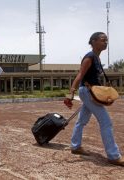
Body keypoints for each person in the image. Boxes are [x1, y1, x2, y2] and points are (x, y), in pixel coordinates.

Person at [64, 32, 123, 166]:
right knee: (106, 122)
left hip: (91, 92)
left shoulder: (96, 58)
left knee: (82, 120)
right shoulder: (89, 57)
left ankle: (75, 146)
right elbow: (80, 74)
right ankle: (113, 156)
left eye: (106, 40)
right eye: (103, 40)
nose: (106, 42)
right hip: (87, 91)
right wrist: (71, 93)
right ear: (93, 41)